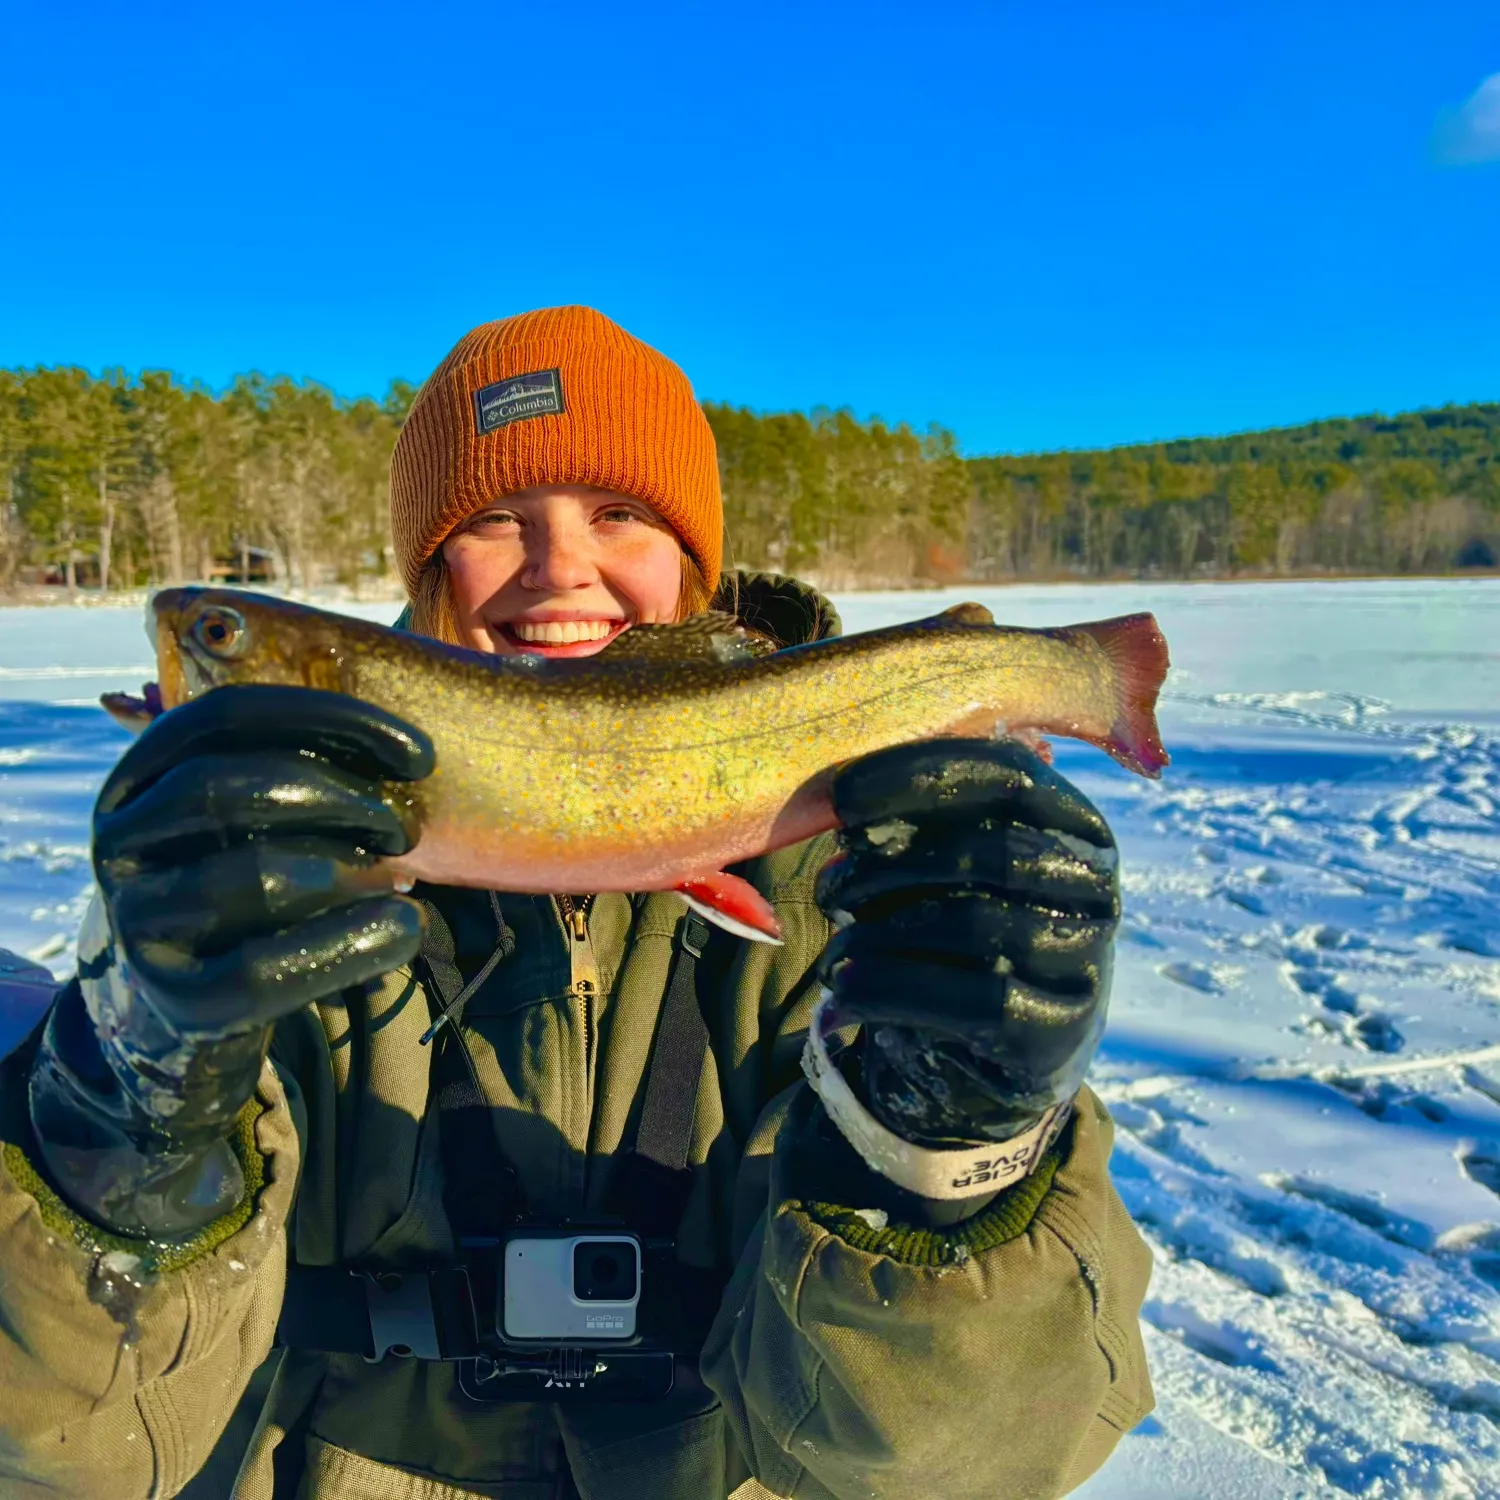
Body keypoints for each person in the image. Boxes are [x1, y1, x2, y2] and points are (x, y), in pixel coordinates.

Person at [0, 307, 1153, 1500]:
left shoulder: (856, 910)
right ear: (426, 563)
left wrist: (955, 1144)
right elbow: (50, 1444)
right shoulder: (275, 905)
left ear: (695, 564)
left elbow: (967, 1466)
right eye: (496, 519)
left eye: (620, 514)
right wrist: (128, 1094)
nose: (560, 571)